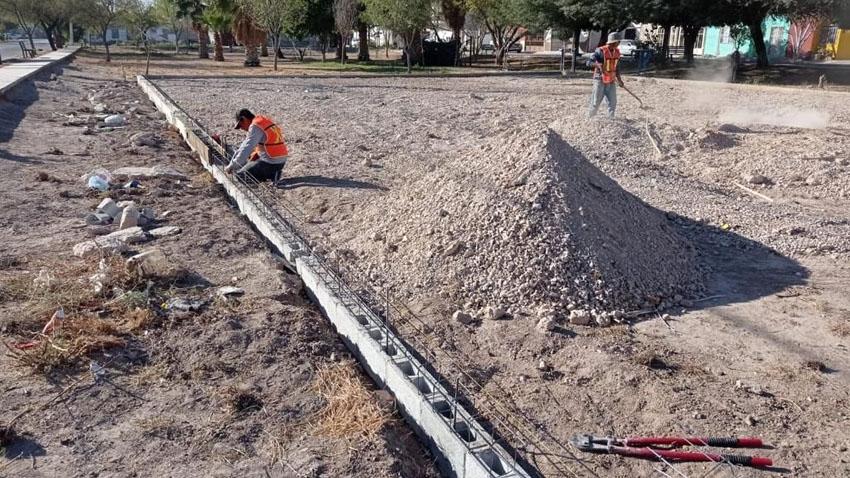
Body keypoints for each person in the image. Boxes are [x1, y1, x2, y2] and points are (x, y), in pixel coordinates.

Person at [224, 109, 289, 182]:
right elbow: (243, 146)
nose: (242, 129)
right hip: (280, 160)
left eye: (240, 126)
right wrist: (232, 164)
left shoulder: (255, 127)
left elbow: (246, 149)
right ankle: (272, 173)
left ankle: (272, 174)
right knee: (250, 159)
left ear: (244, 119)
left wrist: (232, 167)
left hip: (271, 163)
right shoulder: (262, 122)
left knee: (240, 176)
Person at [587, 32, 625, 118]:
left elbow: (617, 67)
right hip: (600, 80)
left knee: (612, 102)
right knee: (596, 102)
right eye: (618, 41)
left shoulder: (617, 52)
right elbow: (588, 62)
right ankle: (590, 118)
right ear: (614, 42)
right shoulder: (600, 51)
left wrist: (619, 80)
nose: (619, 43)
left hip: (611, 80)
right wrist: (597, 65)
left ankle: (610, 119)